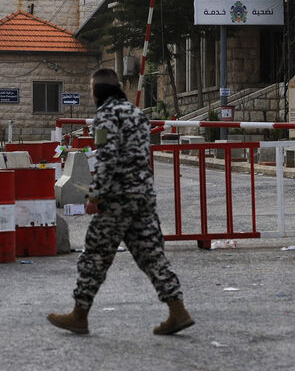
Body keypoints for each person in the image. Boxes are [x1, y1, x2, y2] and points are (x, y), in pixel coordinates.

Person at [48, 67, 193, 336]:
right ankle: (178, 309)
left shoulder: (106, 115)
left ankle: (80, 314)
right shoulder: (137, 114)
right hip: (142, 195)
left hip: (117, 199)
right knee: (152, 255)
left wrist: (95, 195)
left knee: (94, 256)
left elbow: (108, 156)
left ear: (98, 91)